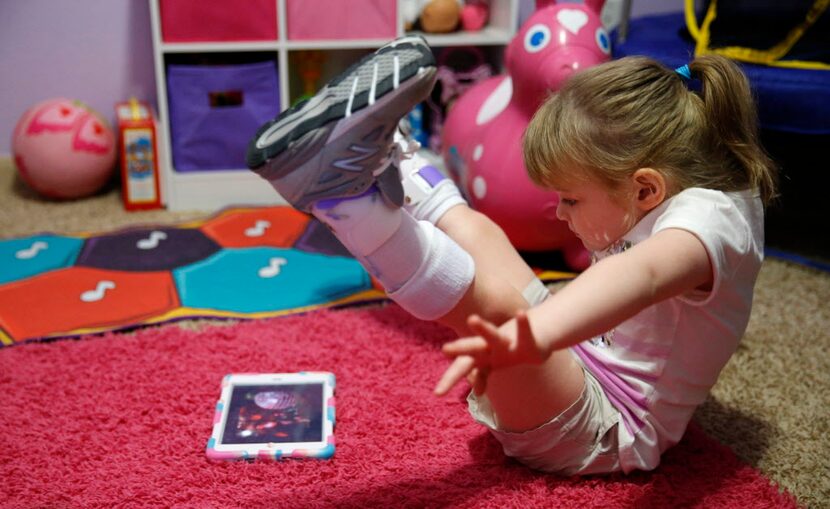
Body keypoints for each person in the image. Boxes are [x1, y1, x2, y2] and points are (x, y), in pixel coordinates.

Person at [246, 35, 777, 475]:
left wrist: (531, 334)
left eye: (570, 199)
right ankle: (386, 161)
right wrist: (542, 330)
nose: (560, 215)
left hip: (603, 429)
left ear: (645, 191)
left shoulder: (715, 220)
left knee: (499, 306)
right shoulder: (671, 176)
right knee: (480, 232)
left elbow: (642, 271)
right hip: (579, 359)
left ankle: (343, 200)